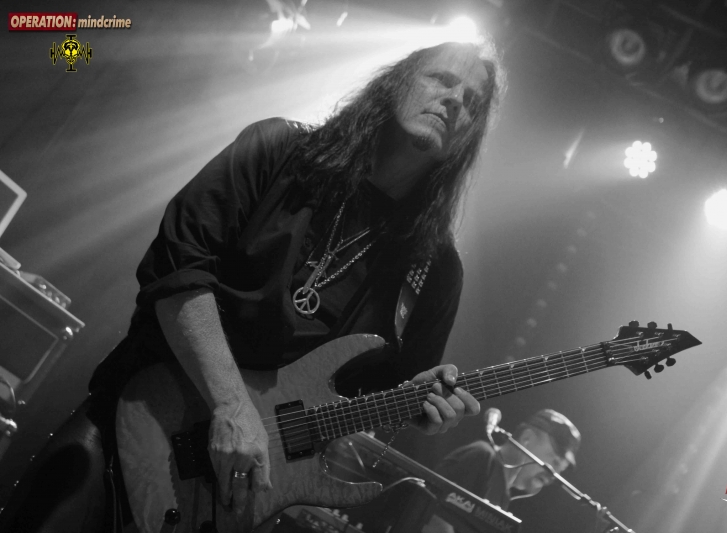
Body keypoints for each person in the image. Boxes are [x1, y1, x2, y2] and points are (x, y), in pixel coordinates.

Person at [0, 41, 505, 532]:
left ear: (471, 134)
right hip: (135, 427)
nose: (454, 100)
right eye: (442, 79)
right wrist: (231, 404)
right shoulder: (279, 150)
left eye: (472, 102)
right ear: (396, 84)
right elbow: (178, 269)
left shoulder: (434, 270)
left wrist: (422, 408)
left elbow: (378, 396)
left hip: (237, 497)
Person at [423, 409, 581, 533]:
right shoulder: (482, 457)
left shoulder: (503, 495)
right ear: (527, 438)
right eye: (554, 461)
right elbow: (433, 520)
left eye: (560, 470)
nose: (554, 475)